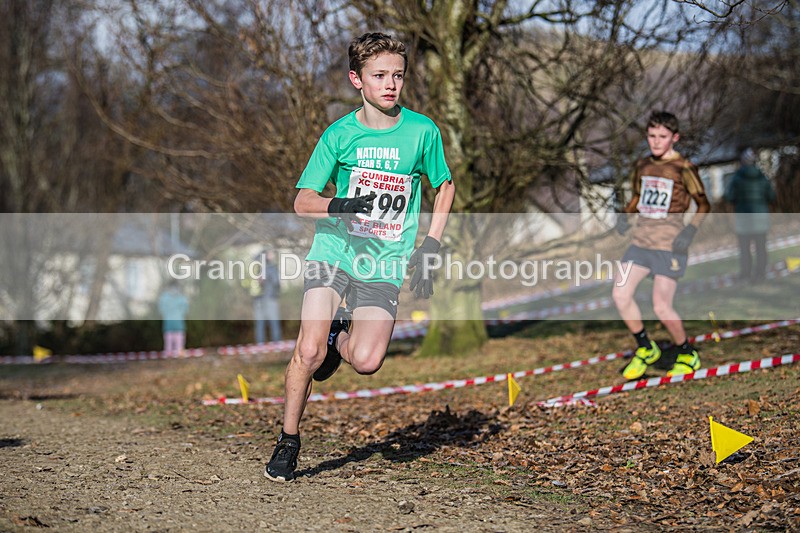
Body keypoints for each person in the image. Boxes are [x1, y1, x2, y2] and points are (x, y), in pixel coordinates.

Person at [265, 32, 456, 482]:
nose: (390, 84)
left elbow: (443, 185)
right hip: (334, 251)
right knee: (307, 350)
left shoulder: (422, 131)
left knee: (368, 361)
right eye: (379, 76)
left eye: (398, 75)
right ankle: (289, 439)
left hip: (385, 261)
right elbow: (302, 200)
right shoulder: (339, 134)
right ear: (357, 79)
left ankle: (339, 339)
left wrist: (431, 244)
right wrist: (340, 206)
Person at [612, 111, 711, 380]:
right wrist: (626, 215)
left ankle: (687, 353)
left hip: (669, 246)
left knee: (661, 307)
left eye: (662, 137)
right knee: (620, 294)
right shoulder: (642, 165)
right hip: (640, 242)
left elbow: (703, 204)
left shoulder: (684, 168)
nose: (656, 142)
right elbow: (636, 197)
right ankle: (646, 347)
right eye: (652, 136)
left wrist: (690, 230)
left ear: (674, 138)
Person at [724, 148, 776, 282]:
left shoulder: (737, 178)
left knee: (745, 249)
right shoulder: (762, 177)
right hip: (761, 218)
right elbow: (771, 196)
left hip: (743, 219)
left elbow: (729, 197)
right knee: (761, 248)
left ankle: (746, 274)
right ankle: (761, 274)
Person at [249, 249, 282, 344]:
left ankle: (260, 346)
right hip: (270, 298)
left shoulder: (254, 267)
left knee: (260, 323)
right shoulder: (271, 267)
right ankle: (277, 346)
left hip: (258, 299)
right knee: (274, 322)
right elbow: (277, 283)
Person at [157, 280, 189, 355]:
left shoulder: (181, 298)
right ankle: (171, 353)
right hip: (171, 324)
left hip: (177, 324)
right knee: (170, 343)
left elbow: (185, 309)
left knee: (178, 343)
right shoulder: (165, 298)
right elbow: (185, 309)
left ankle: (176, 353)